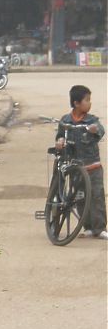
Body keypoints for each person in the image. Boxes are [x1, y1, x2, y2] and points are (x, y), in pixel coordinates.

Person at [56, 85, 107, 239]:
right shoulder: (66, 120)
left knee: (96, 195)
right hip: (75, 167)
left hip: (93, 166)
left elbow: (100, 130)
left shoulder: (91, 120)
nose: (89, 103)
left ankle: (100, 227)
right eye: (87, 100)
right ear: (76, 103)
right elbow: (60, 134)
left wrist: (94, 129)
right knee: (80, 196)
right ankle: (87, 226)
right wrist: (60, 140)